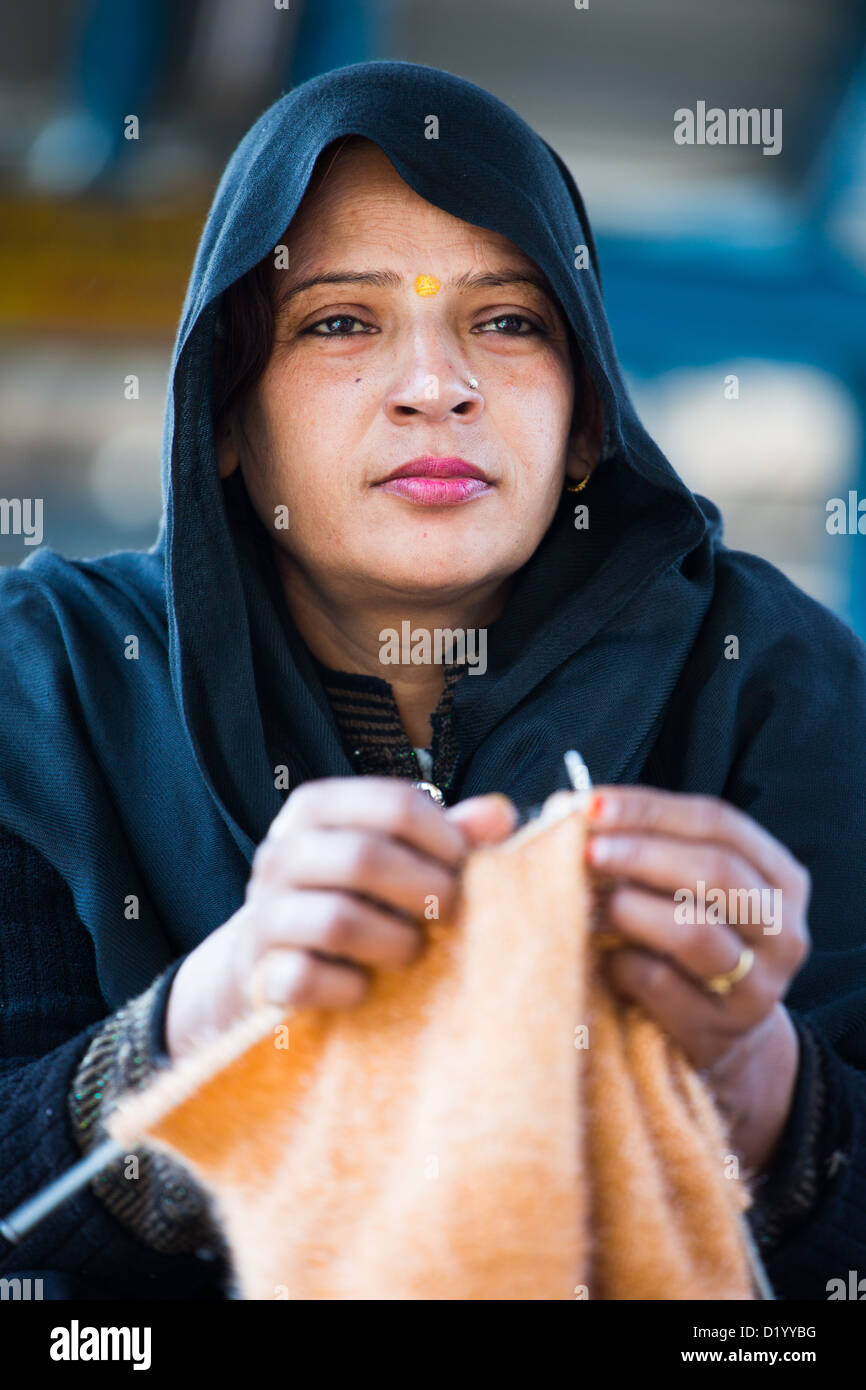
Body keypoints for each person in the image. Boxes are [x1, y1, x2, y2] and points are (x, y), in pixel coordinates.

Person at [1, 60, 864, 1302]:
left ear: (583, 419)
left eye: (506, 320)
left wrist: (764, 1096)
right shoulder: (47, 681)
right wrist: (198, 1027)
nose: (435, 386)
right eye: (340, 322)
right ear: (226, 414)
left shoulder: (784, 683)